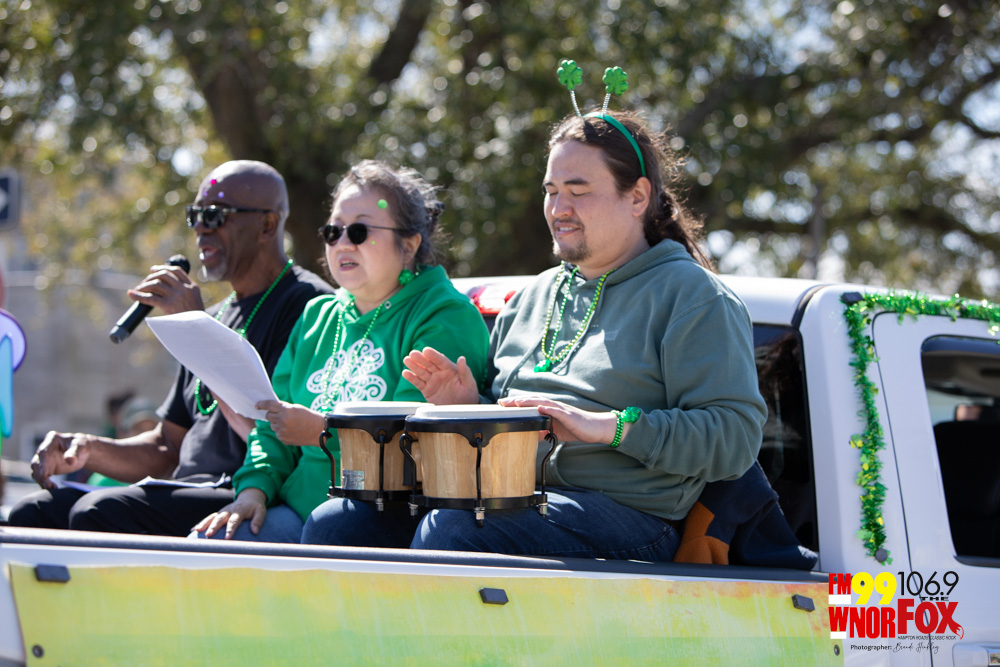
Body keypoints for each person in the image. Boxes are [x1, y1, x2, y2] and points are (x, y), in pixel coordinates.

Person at [368, 108, 768, 561]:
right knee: (344, 521)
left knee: (456, 529)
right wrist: (468, 406)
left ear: (638, 196)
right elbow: (519, 425)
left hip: (633, 519)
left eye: (578, 191)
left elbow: (735, 439)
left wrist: (609, 428)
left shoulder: (693, 296)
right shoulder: (531, 296)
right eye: (552, 191)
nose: (559, 209)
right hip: (509, 495)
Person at [9, 160, 334, 535]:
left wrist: (198, 333)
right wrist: (87, 449)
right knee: (33, 512)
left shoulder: (309, 306)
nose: (200, 228)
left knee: (97, 513)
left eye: (214, 215)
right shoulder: (214, 315)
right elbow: (167, 448)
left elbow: (273, 437)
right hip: (185, 487)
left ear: (267, 225)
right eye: (194, 215)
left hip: (246, 491)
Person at [194, 160, 490, 544]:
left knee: (328, 526)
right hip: (299, 509)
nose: (343, 243)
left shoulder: (444, 315)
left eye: (360, 231)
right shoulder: (317, 316)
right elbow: (272, 422)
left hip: (389, 515)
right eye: (333, 231)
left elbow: (417, 445)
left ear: (409, 245)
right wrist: (253, 491)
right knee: (209, 544)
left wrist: (323, 432)